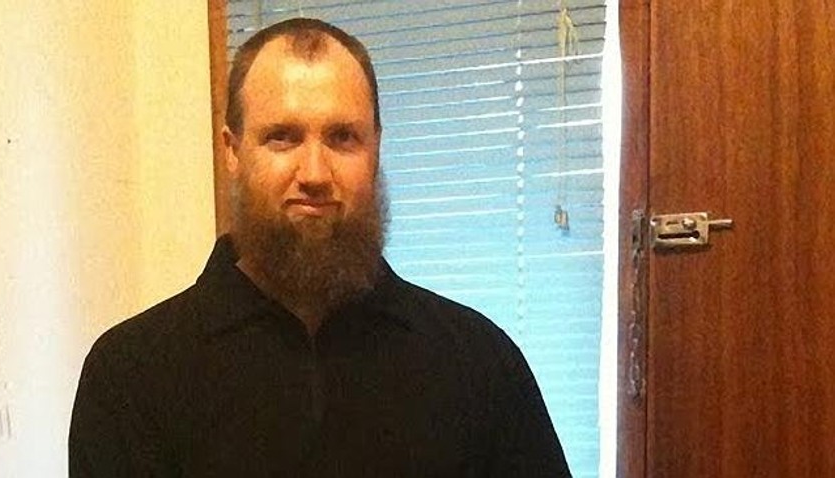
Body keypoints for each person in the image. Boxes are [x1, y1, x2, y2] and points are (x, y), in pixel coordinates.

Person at [69, 17, 571, 477]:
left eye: (343, 137)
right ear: (232, 150)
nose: (314, 173)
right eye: (282, 137)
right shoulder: (130, 375)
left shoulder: (479, 365)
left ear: (376, 147)